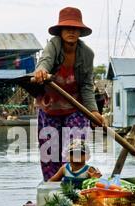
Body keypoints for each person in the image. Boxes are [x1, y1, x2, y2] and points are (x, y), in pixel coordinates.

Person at [34, 7, 106, 181]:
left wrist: (94, 112)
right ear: (61, 31)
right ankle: (53, 194)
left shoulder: (87, 54)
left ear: (80, 32)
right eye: (67, 28)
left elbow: (87, 85)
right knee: (49, 153)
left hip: (75, 108)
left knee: (75, 150)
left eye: (75, 28)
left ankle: (75, 189)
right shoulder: (54, 45)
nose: (71, 32)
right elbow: (45, 61)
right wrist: (42, 71)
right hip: (50, 108)